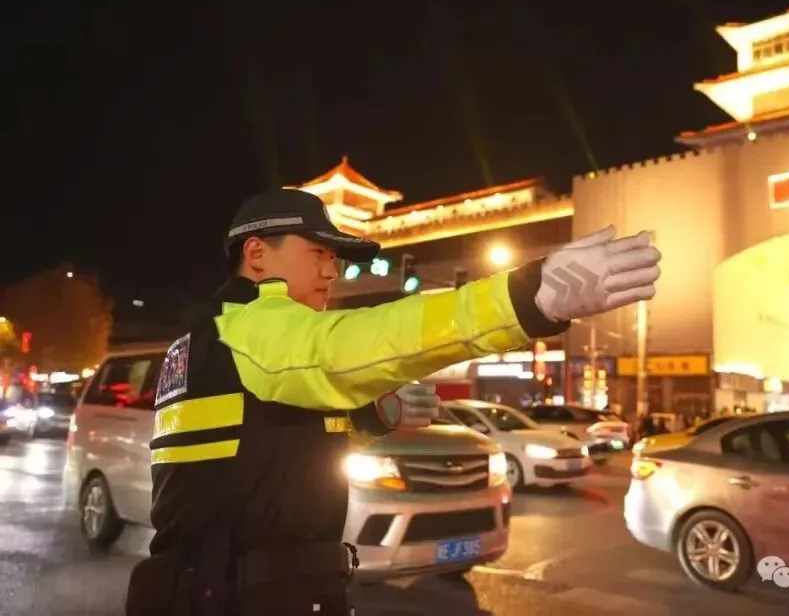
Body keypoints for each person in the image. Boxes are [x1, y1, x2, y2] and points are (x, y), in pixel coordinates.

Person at [125, 188, 661, 616]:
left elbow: (259, 452)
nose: (332, 272)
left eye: (335, 258)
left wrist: (373, 415)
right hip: (242, 596)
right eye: (318, 253)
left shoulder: (208, 341)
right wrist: (524, 299)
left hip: (223, 588)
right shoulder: (251, 324)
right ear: (257, 253)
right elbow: (358, 343)